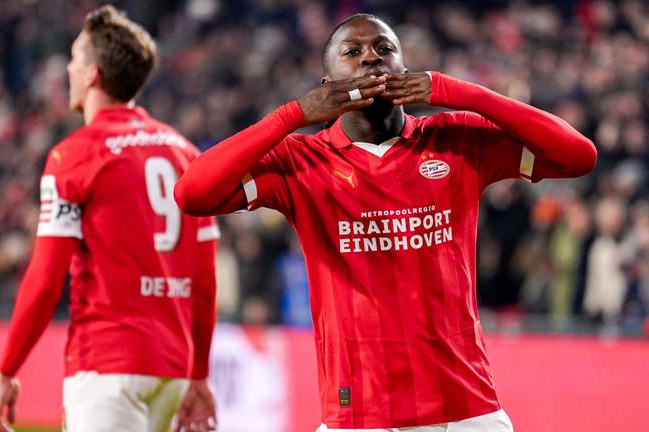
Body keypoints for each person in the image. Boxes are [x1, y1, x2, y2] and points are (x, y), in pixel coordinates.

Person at [175, 13, 596, 432]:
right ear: (328, 85)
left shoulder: (455, 139)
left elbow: (578, 155)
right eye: (352, 52)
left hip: (466, 409)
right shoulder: (298, 162)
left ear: (405, 72)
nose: (371, 60)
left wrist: (461, 93)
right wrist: (291, 116)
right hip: (359, 415)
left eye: (384, 49)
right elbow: (192, 193)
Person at [0, 6, 218, 432]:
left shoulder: (73, 155)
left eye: (75, 59)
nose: (69, 69)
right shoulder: (188, 154)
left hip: (107, 364)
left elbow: (44, 280)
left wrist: (7, 369)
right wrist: (199, 373)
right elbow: (205, 283)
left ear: (92, 74)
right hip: (172, 369)